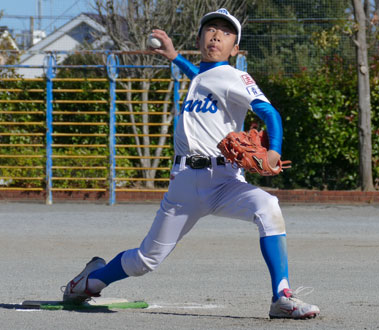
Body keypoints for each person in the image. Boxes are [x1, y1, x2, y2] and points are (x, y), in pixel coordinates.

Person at [62, 8, 320, 320]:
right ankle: (86, 283)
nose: (216, 35)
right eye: (210, 29)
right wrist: (173, 57)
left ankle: (281, 296)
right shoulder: (203, 77)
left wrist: (274, 150)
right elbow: (200, 76)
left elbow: (270, 113)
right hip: (185, 182)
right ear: (198, 39)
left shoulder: (236, 76)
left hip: (225, 180)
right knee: (146, 260)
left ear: (235, 49)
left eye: (226, 33)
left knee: (268, 207)